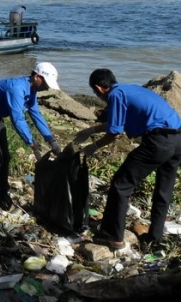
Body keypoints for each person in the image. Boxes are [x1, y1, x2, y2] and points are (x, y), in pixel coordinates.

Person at [73, 69, 181, 251]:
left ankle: (113, 237)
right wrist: (90, 131)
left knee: (121, 184)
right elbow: (117, 123)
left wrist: (94, 146)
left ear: (99, 88)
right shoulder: (129, 90)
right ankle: (155, 239)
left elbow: (114, 133)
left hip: (159, 142)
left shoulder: (115, 95)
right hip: (178, 140)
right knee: (164, 190)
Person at [0, 62, 61, 211]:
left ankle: (3, 194)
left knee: (5, 158)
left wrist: (51, 139)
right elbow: (17, 119)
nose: (47, 87)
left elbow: (35, 113)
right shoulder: (17, 89)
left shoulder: (31, 89)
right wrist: (32, 145)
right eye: (46, 83)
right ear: (37, 77)